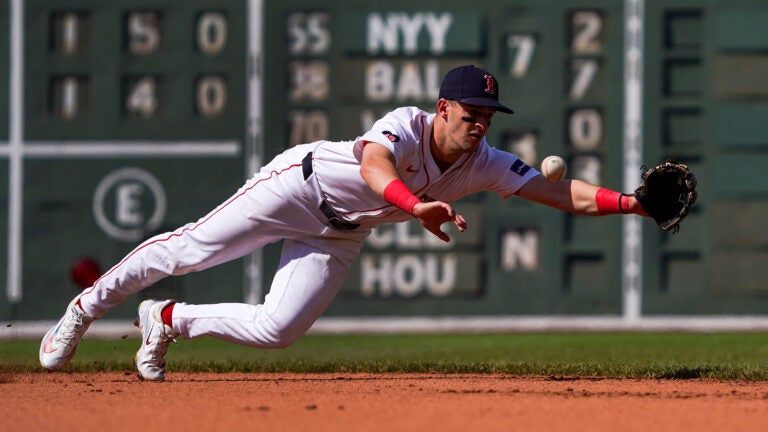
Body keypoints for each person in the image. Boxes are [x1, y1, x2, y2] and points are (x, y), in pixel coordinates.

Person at [39, 65, 649, 381]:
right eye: (472, 110)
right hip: (295, 189)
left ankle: (169, 319)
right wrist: (414, 207)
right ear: (443, 108)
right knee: (189, 250)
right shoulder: (405, 125)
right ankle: (85, 309)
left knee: (280, 329)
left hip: (341, 232)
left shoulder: (483, 162)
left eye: (489, 112)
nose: (481, 122)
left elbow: (555, 190)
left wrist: (633, 204)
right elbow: (375, 164)